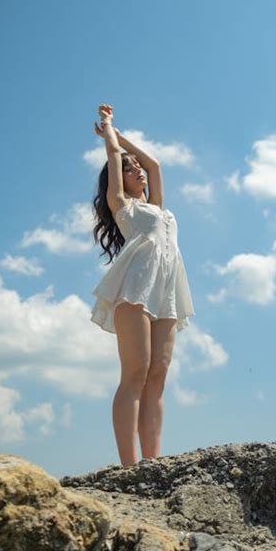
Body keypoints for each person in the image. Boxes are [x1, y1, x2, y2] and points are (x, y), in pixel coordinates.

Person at [90, 103, 195, 467]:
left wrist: (121, 137)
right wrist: (109, 132)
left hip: (166, 292)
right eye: (129, 168)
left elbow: (156, 164)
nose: (139, 171)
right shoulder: (123, 205)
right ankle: (128, 467)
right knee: (135, 373)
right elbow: (119, 159)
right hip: (135, 290)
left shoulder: (159, 208)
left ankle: (152, 464)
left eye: (136, 167)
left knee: (157, 378)